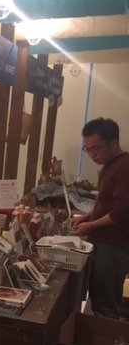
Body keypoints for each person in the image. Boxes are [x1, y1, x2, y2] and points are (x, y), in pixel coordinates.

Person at [71, 117, 129, 319]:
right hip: (103, 241)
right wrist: (87, 217)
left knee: (105, 304)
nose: (92, 155)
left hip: (113, 244)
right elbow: (106, 204)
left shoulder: (125, 166)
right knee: (97, 295)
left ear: (114, 143)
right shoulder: (109, 164)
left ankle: (106, 336)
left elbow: (121, 211)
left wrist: (91, 225)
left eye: (96, 149)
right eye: (87, 150)